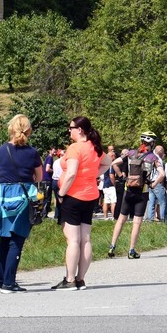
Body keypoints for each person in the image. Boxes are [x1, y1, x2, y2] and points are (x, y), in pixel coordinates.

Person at [0, 114, 43, 292]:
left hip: (3, 196)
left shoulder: (2, 149)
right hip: (22, 196)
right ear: (28, 130)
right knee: (16, 240)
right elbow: (39, 177)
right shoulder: (32, 152)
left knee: (4, 240)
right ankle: (9, 283)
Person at [53, 116, 103, 291]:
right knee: (85, 239)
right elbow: (107, 163)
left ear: (80, 130)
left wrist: (61, 193)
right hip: (90, 196)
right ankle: (80, 279)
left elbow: (72, 173)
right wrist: (92, 175)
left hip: (73, 196)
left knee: (73, 240)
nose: (69, 131)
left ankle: (69, 279)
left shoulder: (75, 148)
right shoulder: (94, 147)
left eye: (71, 128)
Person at [108, 139, 153, 259]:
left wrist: (122, 175)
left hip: (128, 190)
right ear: (152, 144)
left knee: (121, 219)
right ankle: (131, 250)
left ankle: (112, 246)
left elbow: (113, 163)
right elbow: (162, 174)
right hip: (142, 192)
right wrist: (153, 184)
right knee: (137, 222)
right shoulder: (152, 157)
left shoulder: (130, 153)